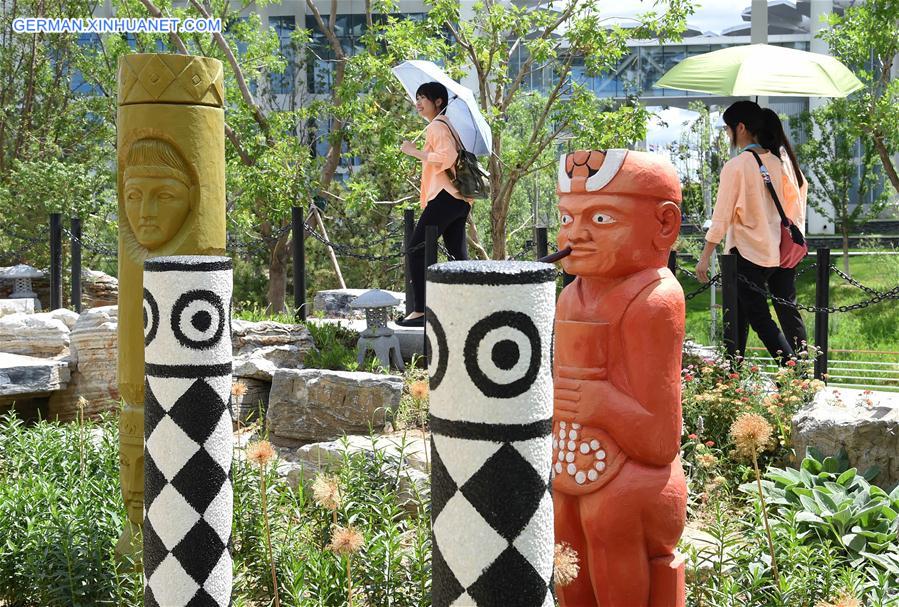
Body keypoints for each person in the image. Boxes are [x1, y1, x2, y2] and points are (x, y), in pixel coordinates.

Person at [696, 101, 806, 365]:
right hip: (770, 252)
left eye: (727, 129)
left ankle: (794, 374)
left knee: (758, 319)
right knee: (738, 316)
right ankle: (733, 373)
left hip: (744, 252)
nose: (727, 135)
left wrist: (705, 256)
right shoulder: (776, 163)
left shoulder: (737, 166)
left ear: (741, 127)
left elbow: (721, 217)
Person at [396, 82, 472, 327]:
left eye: (423, 98)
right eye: (417, 98)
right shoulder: (449, 126)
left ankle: (421, 311)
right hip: (459, 199)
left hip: (445, 197)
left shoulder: (437, 127)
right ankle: (467, 307)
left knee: (416, 250)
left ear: (438, 101)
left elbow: (446, 158)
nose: (418, 103)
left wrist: (414, 151)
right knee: (458, 257)